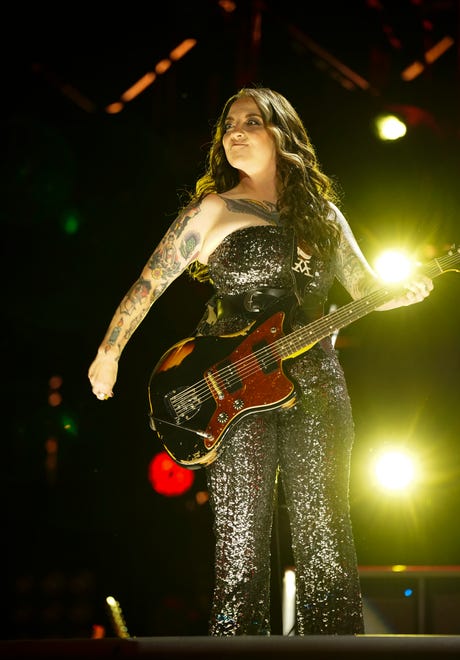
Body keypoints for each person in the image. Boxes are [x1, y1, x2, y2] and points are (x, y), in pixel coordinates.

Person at [88, 86, 433, 636]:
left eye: (251, 121)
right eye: (228, 124)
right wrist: (110, 351)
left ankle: (334, 652)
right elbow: (150, 282)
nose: (235, 133)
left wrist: (404, 290)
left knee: (326, 531)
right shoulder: (213, 209)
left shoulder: (324, 215)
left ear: (282, 134)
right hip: (234, 386)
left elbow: (365, 287)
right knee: (243, 539)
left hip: (317, 377)